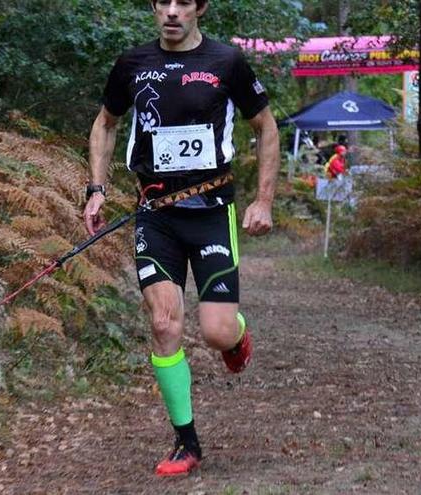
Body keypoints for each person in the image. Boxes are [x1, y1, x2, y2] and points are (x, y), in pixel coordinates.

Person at [81, 0, 280, 477]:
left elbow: (266, 127)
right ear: (153, 8)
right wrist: (96, 188)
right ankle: (186, 442)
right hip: (156, 215)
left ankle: (236, 334)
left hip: (212, 211)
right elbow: (105, 124)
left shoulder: (226, 61)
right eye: (163, 2)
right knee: (164, 323)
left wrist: (264, 201)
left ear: (200, 8)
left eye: (183, 2)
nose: (172, 11)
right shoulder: (133, 63)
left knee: (214, 332)